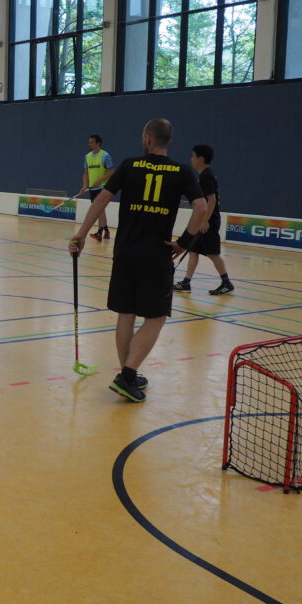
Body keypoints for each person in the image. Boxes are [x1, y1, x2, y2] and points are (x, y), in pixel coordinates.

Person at [69, 119, 208, 402]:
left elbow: (101, 201)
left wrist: (81, 234)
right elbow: (201, 207)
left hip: (125, 252)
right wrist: (184, 242)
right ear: (168, 141)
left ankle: (127, 374)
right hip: (156, 254)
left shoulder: (129, 165)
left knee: (126, 314)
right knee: (155, 317)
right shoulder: (182, 171)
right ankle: (128, 375)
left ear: (147, 138)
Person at [174, 145, 234, 295]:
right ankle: (186, 282)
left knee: (213, 253)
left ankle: (226, 283)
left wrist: (205, 221)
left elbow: (211, 200)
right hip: (205, 220)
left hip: (209, 222)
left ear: (200, 159)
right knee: (193, 251)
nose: (191, 159)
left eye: (193, 156)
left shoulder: (206, 175)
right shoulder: (205, 175)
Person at [82, 134, 114, 241]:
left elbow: (111, 171)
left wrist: (99, 180)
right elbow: (86, 173)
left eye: (91, 142)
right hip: (92, 188)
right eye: (89, 142)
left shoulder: (105, 156)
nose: (89, 144)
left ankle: (100, 233)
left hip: (103, 187)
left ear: (98, 143)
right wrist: (85, 185)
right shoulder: (87, 156)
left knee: (99, 210)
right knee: (100, 210)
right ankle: (106, 231)